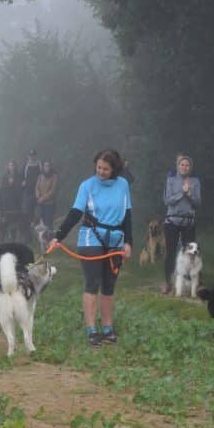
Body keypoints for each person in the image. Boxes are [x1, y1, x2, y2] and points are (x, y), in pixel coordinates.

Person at [51, 148, 133, 347]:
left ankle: (107, 328)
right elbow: (75, 213)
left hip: (116, 240)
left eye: (105, 169)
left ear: (114, 169)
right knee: (92, 283)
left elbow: (127, 214)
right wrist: (58, 236)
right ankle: (91, 330)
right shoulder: (87, 186)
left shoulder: (123, 185)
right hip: (91, 239)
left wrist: (129, 242)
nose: (101, 172)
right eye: (98, 167)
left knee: (109, 286)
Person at [161, 155, 202, 295]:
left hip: (188, 221)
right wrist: (182, 193)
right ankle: (168, 282)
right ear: (177, 166)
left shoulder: (195, 182)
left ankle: (193, 283)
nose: (184, 167)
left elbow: (197, 203)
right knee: (171, 252)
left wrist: (189, 194)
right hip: (172, 220)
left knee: (191, 253)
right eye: (182, 164)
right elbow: (167, 201)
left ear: (190, 167)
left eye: (187, 165)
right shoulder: (171, 180)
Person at [0, 169, 23, 241]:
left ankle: (12, 240)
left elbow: (18, 200)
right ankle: (1, 241)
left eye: (12, 178)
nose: (11, 180)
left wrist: (18, 210)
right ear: (7, 179)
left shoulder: (15, 189)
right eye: (10, 178)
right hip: (4, 212)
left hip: (13, 212)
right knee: (3, 228)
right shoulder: (2, 189)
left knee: (13, 228)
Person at [35, 160, 59, 229]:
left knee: (49, 222)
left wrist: (43, 198)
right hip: (40, 203)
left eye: (48, 165)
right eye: (45, 165)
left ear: (51, 166)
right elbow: (37, 187)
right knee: (42, 221)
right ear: (43, 167)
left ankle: (50, 238)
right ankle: (44, 238)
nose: (47, 167)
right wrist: (37, 195)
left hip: (49, 203)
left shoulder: (54, 176)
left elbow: (53, 190)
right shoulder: (40, 176)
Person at [22, 150, 42, 220]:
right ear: (28, 156)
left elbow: (43, 174)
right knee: (29, 210)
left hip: (39, 191)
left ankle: (40, 226)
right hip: (28, 191)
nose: (32, 157)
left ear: (36, 156)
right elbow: (22, 176)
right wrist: (23, 181)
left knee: (39, 210)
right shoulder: (26, 166)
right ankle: (30, 225)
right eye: (30, 155)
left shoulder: (40, 164)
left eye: (33, 155)